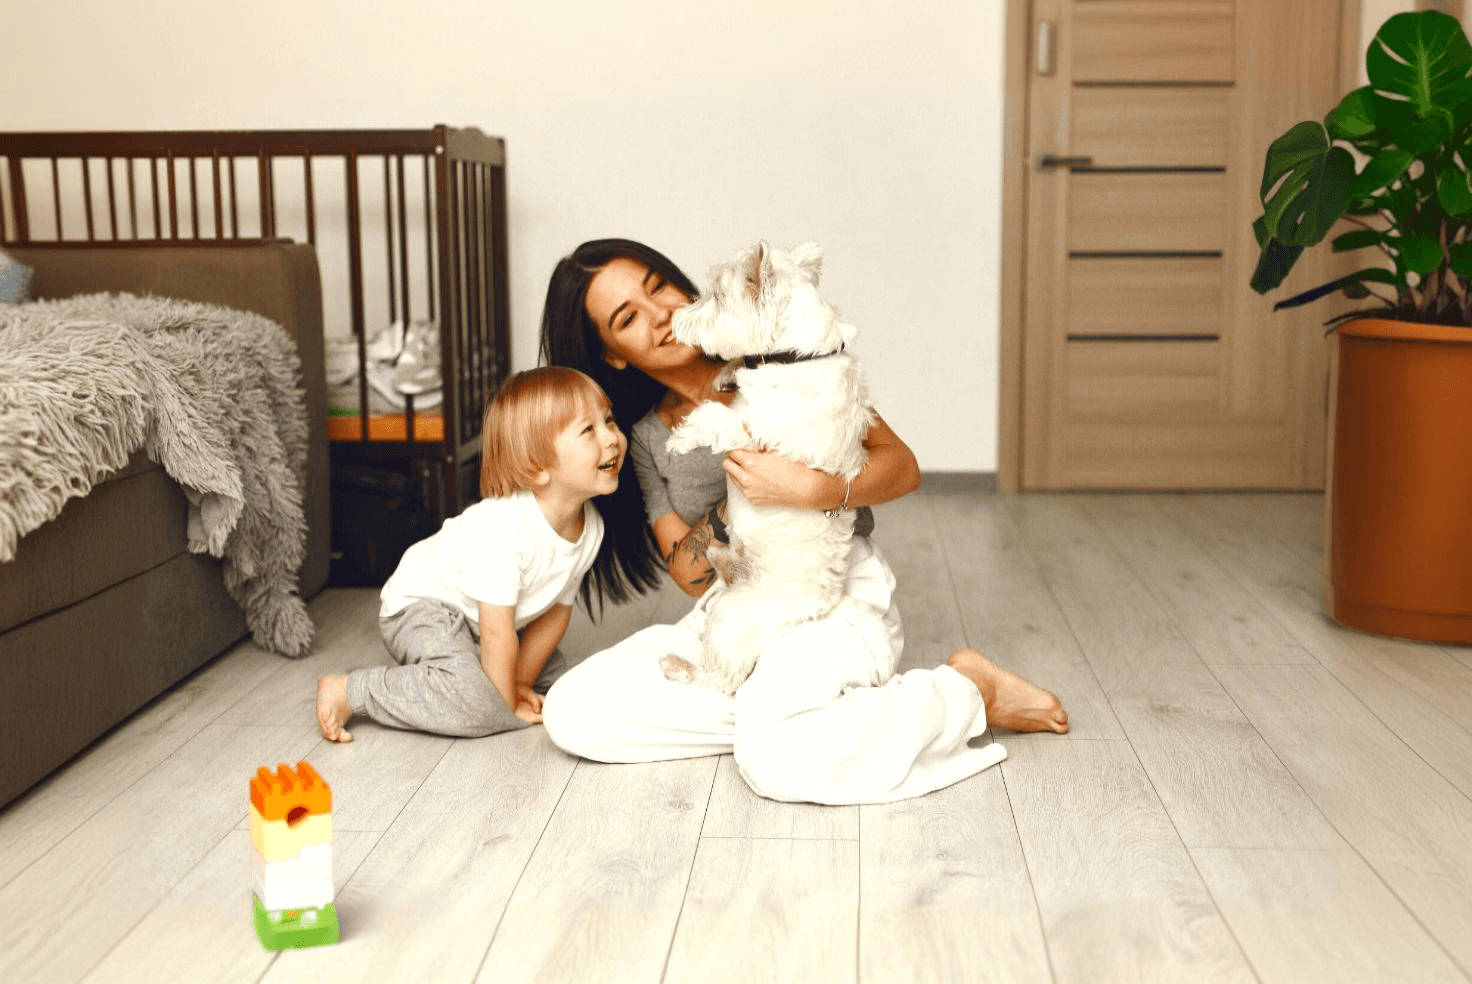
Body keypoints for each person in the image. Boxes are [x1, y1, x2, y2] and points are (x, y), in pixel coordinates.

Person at [538, 239, 1070, 805]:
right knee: (573, 711)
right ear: (614, 354)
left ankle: (966, 693)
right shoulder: (643, 435)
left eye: (656, 287)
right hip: (736, 607)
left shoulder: (779, 357)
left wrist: (814, 488)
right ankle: (795, 715)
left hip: (829, 594)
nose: (661, 314)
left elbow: (903, 466)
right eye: (628, 318)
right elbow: (691, 577)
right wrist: (745, 493)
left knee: (775, 764)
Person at [314, 366, 627, 742]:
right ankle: (350, 690)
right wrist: (503, 703)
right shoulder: (506, 528)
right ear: (536, 467)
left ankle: (461, 677)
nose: (612, 438)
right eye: (589, 430)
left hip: (481, 622)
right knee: (480, 704)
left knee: (557, 677)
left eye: (608, 420)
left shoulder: (590, 527)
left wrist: (519, 683)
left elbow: (553, 617)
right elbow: (497, 632)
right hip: (419, 608)